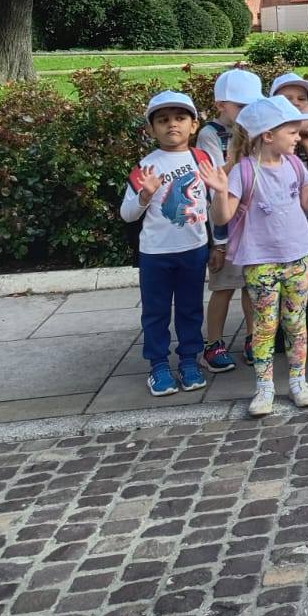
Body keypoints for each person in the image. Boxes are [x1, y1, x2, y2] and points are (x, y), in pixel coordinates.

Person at [201, 95, 308, 417]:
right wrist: (220, 191)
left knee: (296, 323)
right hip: (260, 261)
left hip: (299, 257)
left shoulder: (294, 165)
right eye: (292, 132)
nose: (298, 137)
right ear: (267, 135)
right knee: (265, 325)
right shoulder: (243, 171)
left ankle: (297, 382)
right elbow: (223, 217)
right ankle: (264, 387)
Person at [120, 90, 214, 398]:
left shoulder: (202, 159)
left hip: (194, 249)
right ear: (151, 129)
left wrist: (219, 244)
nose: (172, 124)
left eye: (180, 118)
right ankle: (158, 365)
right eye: (162, 120)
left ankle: (189, 360)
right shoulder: (146, 167)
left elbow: (214, 200)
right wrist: (145, 196)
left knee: (190, 309)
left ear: (193, 125)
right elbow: (127, 213)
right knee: (156, 312)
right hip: (156, 253)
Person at [198, 68, 262, 371]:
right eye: (240, 106)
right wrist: (218, 241)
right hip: (224, 223)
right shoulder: (210, 134)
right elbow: (213, 181)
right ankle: (213, 343)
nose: (247, 112)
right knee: (223, 286)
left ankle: (252, 337)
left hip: (251, 222)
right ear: (220, 105)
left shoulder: (256, 129)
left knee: (251, 285)